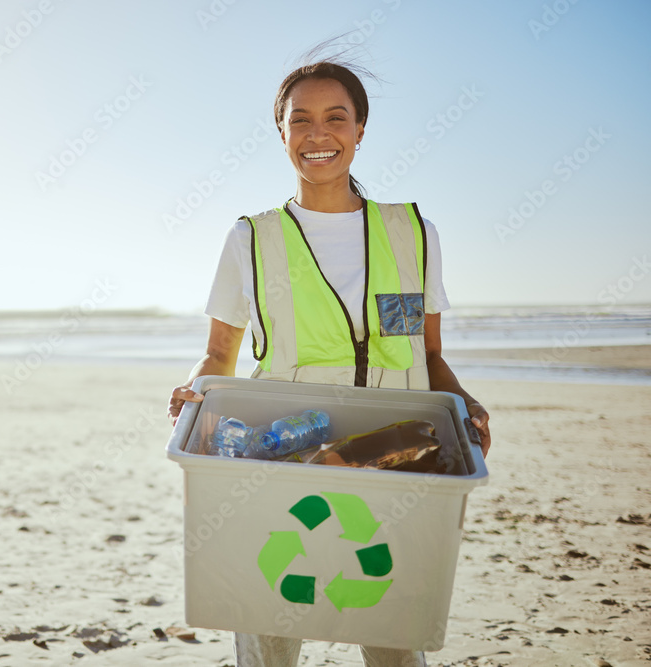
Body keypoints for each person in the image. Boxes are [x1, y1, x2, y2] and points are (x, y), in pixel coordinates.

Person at [166, 53, 491, 667]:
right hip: (284, 460)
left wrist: (465, 404)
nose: (319, 135)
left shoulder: (413, 234)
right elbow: (217, 354)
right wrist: (189, 394)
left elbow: (430, 356)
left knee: (395, 635)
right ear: (283, 133)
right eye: (301, 120)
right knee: (268, 631)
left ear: (361, 129)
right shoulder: (251, 238)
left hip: (399, 457)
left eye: (336, 118)